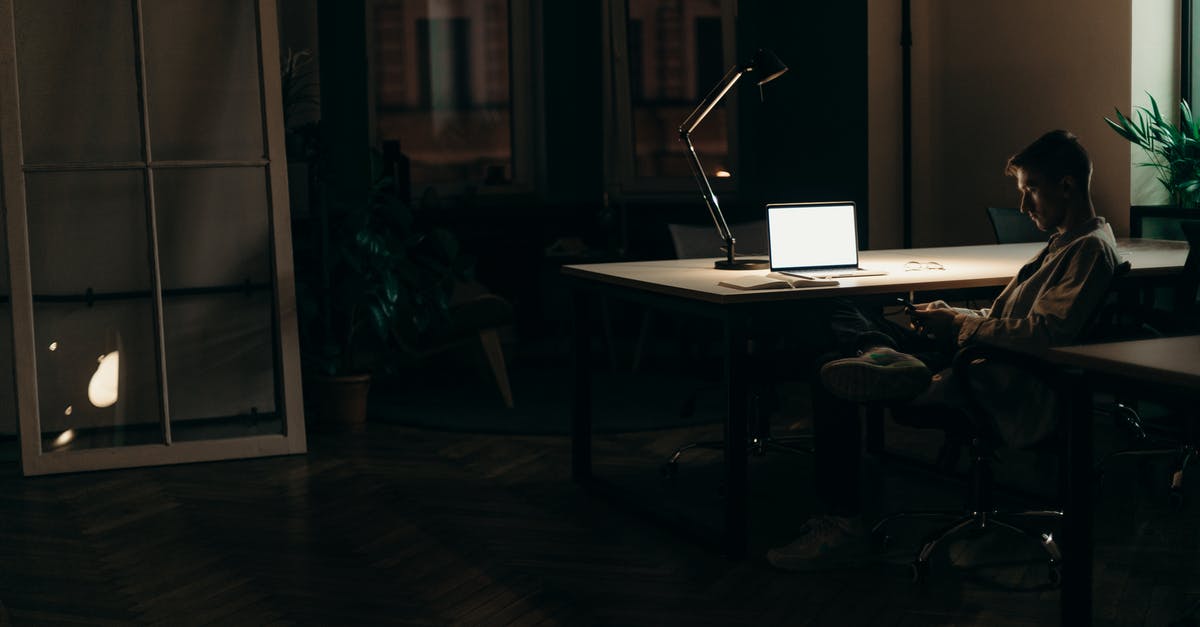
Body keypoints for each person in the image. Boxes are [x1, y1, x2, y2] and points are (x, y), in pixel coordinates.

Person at [766, 130, 1124, 571]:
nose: (1023, 206)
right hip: (983, 355)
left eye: (1030, 189)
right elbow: (1010, 317)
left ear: (1066, 186)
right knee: (840, 302)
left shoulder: (1088, 251)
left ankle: (842, 522)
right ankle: (878, 348)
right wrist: (950, 312)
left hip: (994, 378)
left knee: (828, 367)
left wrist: (959, 325)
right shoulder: (1068, 243)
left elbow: (1043, 335)